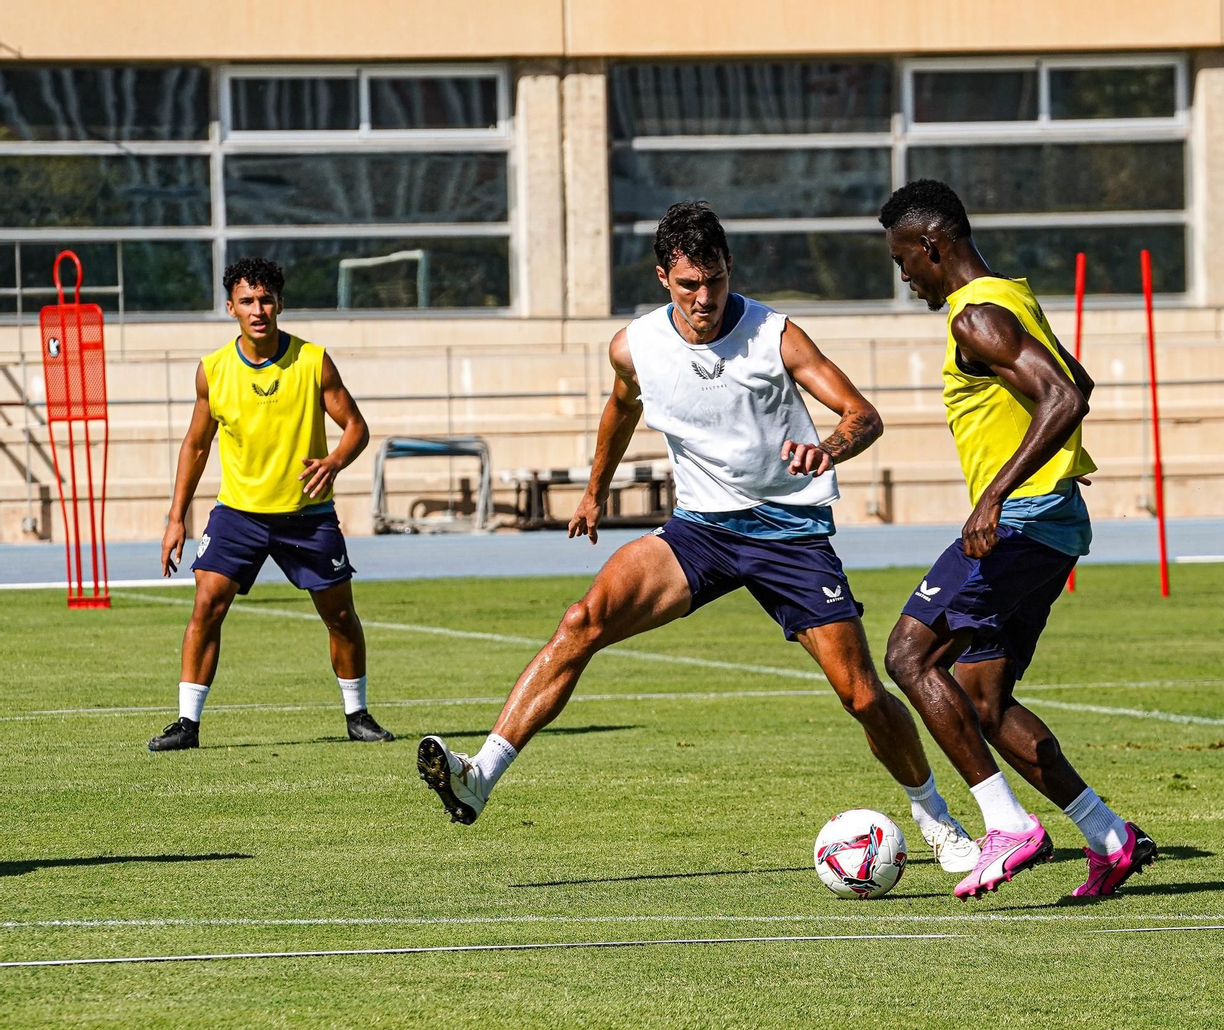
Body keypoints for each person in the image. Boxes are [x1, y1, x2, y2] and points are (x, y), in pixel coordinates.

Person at [416, 201, 978, 873]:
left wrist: (829, 448)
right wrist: (595, 491)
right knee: (580, 621)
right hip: (701, 532)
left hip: (790, 535)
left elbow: (864, 415)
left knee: (860, 694)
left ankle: (937, 819)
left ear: (728, 269)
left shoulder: (776, 334)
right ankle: (480, 775)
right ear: (663, 278)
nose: (705, 298)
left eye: (714, 281)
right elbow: (621, 408)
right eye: (689, 286)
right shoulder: (635, 346)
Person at [877, 180, 1157, 900]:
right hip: (1049, 519)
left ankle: (1004, 825)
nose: (905, 276)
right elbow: (1079, 383)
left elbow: (1062, 397)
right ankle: (1110, 837)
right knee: (981, 701)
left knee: (909, 656)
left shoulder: (977, 317)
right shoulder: (1010, 295)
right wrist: (1054, 467)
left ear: (931, 245)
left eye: (904, 259)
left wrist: (998, 493)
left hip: (1021, 520)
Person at [149, 257, 392, 751]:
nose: (257, 309)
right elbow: (195, 446)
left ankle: (358, 715)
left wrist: (335, 462)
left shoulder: (313, 361)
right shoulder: (213, 371)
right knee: (206, 607)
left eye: (265, 299)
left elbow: (357, 428)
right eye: (246, 301)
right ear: (230, 307)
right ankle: (186, 725)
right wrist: (176, 518)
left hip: (308, 517)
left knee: (340, 616)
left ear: (279, 303)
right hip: (238, 515)